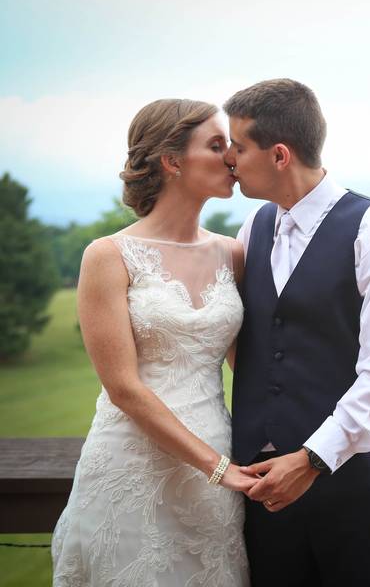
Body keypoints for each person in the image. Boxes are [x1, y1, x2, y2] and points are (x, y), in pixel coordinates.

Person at [225, 78, 370, 586]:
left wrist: (311, 459)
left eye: (238, 146)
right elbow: (263, 348)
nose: (230, 158)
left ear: (278, 155)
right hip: (266, 497)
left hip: (357, 493)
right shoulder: (254, 229)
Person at [51, 99, 255, 586]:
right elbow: (122, 387)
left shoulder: (234, 255)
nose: (232, 156)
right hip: (133, 463)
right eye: (216, 144)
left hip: (217, 457)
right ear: (172, 161)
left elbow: (249, 367)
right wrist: (217, 468)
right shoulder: (108, 256)